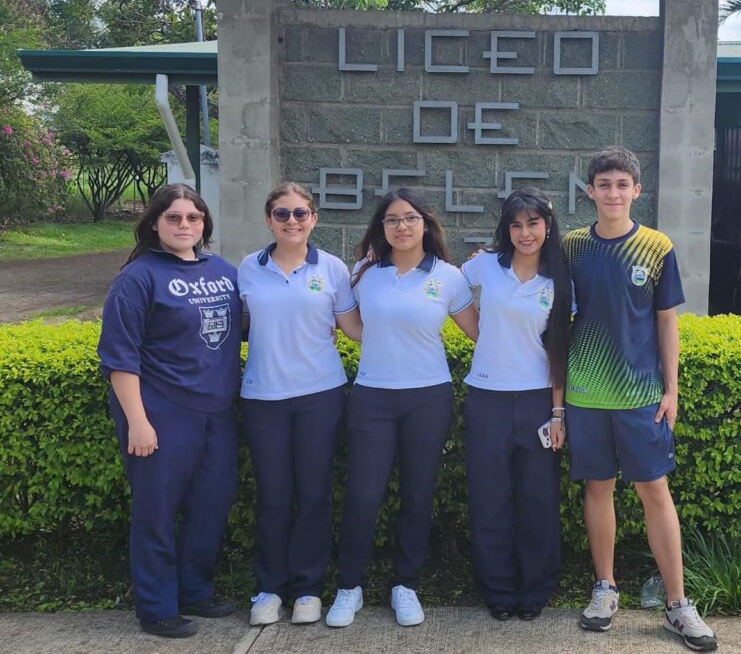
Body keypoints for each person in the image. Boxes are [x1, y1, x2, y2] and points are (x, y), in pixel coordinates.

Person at [563, 147, 718, 651]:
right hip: (586, 392)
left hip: (640, 395)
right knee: (599, 489)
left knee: (655, 491)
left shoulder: (656, 246)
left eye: (621, 184)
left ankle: (677, 604)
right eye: (603, 184)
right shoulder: (572, 247)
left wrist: (672, 389)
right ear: (590, 191)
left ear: (637, 191)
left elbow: (666, 320)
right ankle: (605, 589)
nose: (612, 193)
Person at [326, 188, 479, 629]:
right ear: (382, 228)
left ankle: (405, 584)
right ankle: (349, 586)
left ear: (425, 224)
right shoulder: (363, 273)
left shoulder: (449, 277)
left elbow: (481, 333)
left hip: (428, 398)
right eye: (392, 220)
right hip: (372, 396)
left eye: (410, 218)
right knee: (363, 494)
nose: (402, 226)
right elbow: (353, 329)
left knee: (417, 493)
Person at [98, 183, 241, 639]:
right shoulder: (138, 278)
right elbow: (120, 356)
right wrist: (137, 422)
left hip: (217, 411)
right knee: (157, 511)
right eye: (174, 217)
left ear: (205, 224)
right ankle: (157, 606)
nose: (184, 225)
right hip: (161, 412)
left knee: (211, 505)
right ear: (155, 223)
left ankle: (193, 589)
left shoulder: (223, 271)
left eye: (193, 217)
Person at [238, 182, 363, 626]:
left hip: (320, 395)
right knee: (273, 496)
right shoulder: (247, 269)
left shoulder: (332, 269)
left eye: (300, 213)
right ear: (269, 219)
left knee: (313, 493)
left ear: (315, 218)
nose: (292, 221)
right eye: (282, 213)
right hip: (263, 397)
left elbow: (355, 329)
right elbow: (237, 327)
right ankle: (269, 589)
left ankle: (309, 588)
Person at [460, 188, 572, 622]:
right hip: (486, 397)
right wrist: (484, 338)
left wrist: (558, 412)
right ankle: (498, 589)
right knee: (489, 498)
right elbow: (449, 293)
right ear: (506, 230)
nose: (525, 233)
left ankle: (536, 588)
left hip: (538, 402)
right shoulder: (484, 265)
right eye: (516, 225)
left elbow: (559, 349)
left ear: (548, 226)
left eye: (533, 223)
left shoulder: (561, 278)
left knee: (537, 499)